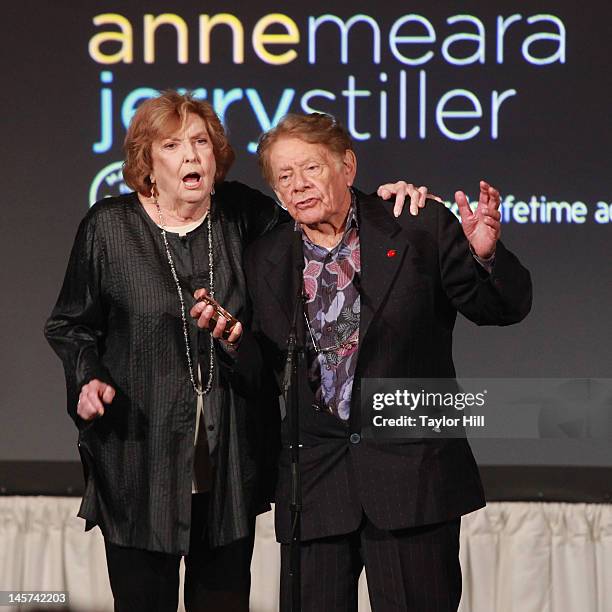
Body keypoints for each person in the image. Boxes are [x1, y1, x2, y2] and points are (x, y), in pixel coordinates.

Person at [44, 91, 429, 611]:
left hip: (229, 461)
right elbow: (71, 323)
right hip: (142, 459)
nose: (191, 156)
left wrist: (381, 202)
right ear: (147, 161)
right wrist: (86, 376)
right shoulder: (108, 228)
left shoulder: (245, 214)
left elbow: (318, 213)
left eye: (201, 142)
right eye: (174, 144)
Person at [192, 113, 532, 611]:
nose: (298, 186)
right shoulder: (265, 257)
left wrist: (484, 257)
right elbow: (265, 374)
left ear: (347, 166)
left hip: (412, 476)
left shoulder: (414, 224)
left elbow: (501, 308)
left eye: (310, 168)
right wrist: (234, 343)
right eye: (284, 177)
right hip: (316, 484)